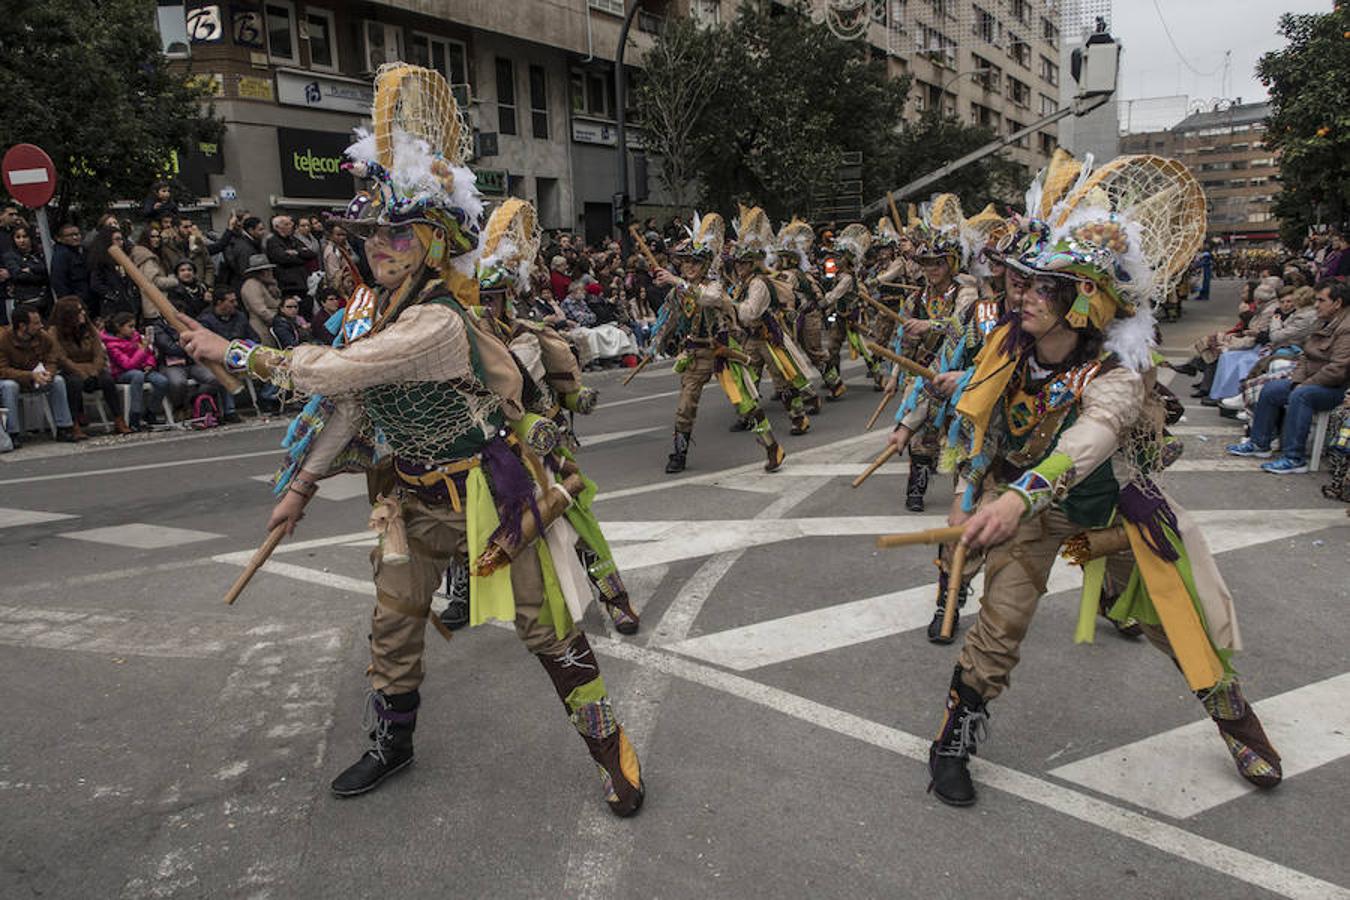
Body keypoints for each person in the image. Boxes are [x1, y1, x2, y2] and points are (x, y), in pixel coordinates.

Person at [179, 63, 645, 814]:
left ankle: (607, 745)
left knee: (545, 628)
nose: (380, 249)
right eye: (371, 235)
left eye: (398, 235)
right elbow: (360, 406)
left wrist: (233, 351)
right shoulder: (381, 314)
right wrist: (300, 487)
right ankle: (391, 745)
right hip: (413, 499)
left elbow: (336, 373)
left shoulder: (430, 322)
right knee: (393, 622)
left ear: (432, 244)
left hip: (491, 496)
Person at [924, 194, 1281, 809]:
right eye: (1028, 283)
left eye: (1048, 289)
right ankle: (951, 746)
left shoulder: (1117, 370)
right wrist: (962, 398)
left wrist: (1022, 494)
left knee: (1173, 622)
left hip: (1113, 509)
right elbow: (984, 403)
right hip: (1027, 513)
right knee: (999, 624)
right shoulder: (1007, 345)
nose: (1025, 295)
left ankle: (1236, 722)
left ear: (1084, 305)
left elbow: (1096, 435)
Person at [652, 212, 785, 474]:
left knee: (745, 404)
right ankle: (679, 454)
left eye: (695, 263)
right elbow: (669, 320)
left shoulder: (715, 286)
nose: (689, 267)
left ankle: (772, 446)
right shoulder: (677, 292)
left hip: (722, 353)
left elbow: (708, 300)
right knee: (685, 407)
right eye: (685, 263)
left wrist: (676, 281)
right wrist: (657, 342)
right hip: (696, 354)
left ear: (704, 265)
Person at [1228, 281, 1350, 473]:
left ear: (1337, 303)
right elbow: (1305, 356)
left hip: (1337, 389)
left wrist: (1304, 385)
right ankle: (1260, 444)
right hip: (1313, 381)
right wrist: (1298, 381)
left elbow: (1338, 370)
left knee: (1301, 396)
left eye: (1321, 300)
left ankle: (1294, 458)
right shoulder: (1323, 320)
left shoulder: (1346, 328)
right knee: (1271, 389)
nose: (1316, 304)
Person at [727, 204, 815, 435]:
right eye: (737, 263)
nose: (739, 267)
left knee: (783, 379)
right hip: (751, 339)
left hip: (768, 337)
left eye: (744, 263)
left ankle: (799, 418)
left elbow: (750, 312)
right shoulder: (743, 283)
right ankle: (747, 416)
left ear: (754, 263)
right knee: (747, 377)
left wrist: (729, 306)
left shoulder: (758, 283)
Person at [49, 294, 130, 435]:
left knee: (107, 380)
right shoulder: (54, 332)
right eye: (79, 311)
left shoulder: (89, 328)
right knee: (73, 383)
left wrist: (94, 370)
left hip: (92, 368)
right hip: (71, 370)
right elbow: (61, 358)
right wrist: (82, 372)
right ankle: (73, 423)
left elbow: (99, 353)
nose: (83, 314)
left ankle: (119, 419)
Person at [0, 303, 78, 445]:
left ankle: (64, 427)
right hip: (14, 379)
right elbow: (3, 370)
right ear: (23, 326)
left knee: (58, 381)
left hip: (38, 378)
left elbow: (52, 358)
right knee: (9, 386)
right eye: (36, 323)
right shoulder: (3, 340)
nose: (40, 326)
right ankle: (12, 433)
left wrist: (48, 373)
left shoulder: (43, 337)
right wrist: (30, 376)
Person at [102, 311, 169, 430]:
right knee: (137, 376)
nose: (133, 330)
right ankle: (134, 415)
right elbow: (127, 364)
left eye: (134, 326)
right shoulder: (112, 345)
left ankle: (151, 412)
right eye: (130, 326)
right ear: (119, 327)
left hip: (141, 369)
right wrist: (142, 351)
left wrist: (149, 364)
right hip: (122, 373)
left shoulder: (136, 337)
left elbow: (149, 354)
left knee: (162, 381)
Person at [264, 214, 317, 312]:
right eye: (286, 224)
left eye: (290, 224)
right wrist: (300, 256)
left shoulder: (293, 239)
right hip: (288, 285)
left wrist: (296, 253)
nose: (291, 226)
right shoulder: (273, 242)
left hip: (302, 282)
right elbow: (283, 258)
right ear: (277, 227)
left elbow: (311, 254)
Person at [87, 226, 139, 321]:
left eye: (122, 239)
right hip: (113, 309)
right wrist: (114, 295)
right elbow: (96, 284)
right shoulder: (100, 261)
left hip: (129, 305)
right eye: (117, 239)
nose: (121, 243)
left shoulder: (125, 258)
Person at [130, 226, 178, 324]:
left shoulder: (152, 254)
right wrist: (174, 280)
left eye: (157, 237)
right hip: (154, 307)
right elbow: (153, 281)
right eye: (152, 237)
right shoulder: (146, 257)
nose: (156, 240)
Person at [3, 226, 51, 314]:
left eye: (25, 236)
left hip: (46, 300)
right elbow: (19, 276)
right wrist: (40, 275)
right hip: (26, 302)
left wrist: (31, 269)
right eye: (18, 237)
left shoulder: (39, 254)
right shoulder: (10, 256)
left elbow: (48, 272)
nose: (22, 240)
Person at [239, 254, 282, 344]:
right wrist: (279, 320)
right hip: (260, 326)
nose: (271, 272)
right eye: (268, 270)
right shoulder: (251, 285)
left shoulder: (266, 284)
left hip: (272, 325)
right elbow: (260, 310)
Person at [49, 223, 92, 311]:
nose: (75, 238)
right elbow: (59, 281)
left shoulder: (81, 251)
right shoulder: (61, 255)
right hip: (75, 302)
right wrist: (70, 304)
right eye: (70, 235)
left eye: (77, 234)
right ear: (60, 238)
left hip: (87, 300)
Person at [322, 222, 357, 297]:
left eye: (344, 235)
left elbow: (356, 259)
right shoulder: (332, 251)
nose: (342, 237)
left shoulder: (344, 247)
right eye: (338, 235)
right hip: (340, 289)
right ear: (331, 236)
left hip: (351, 284)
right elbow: (334, 276)